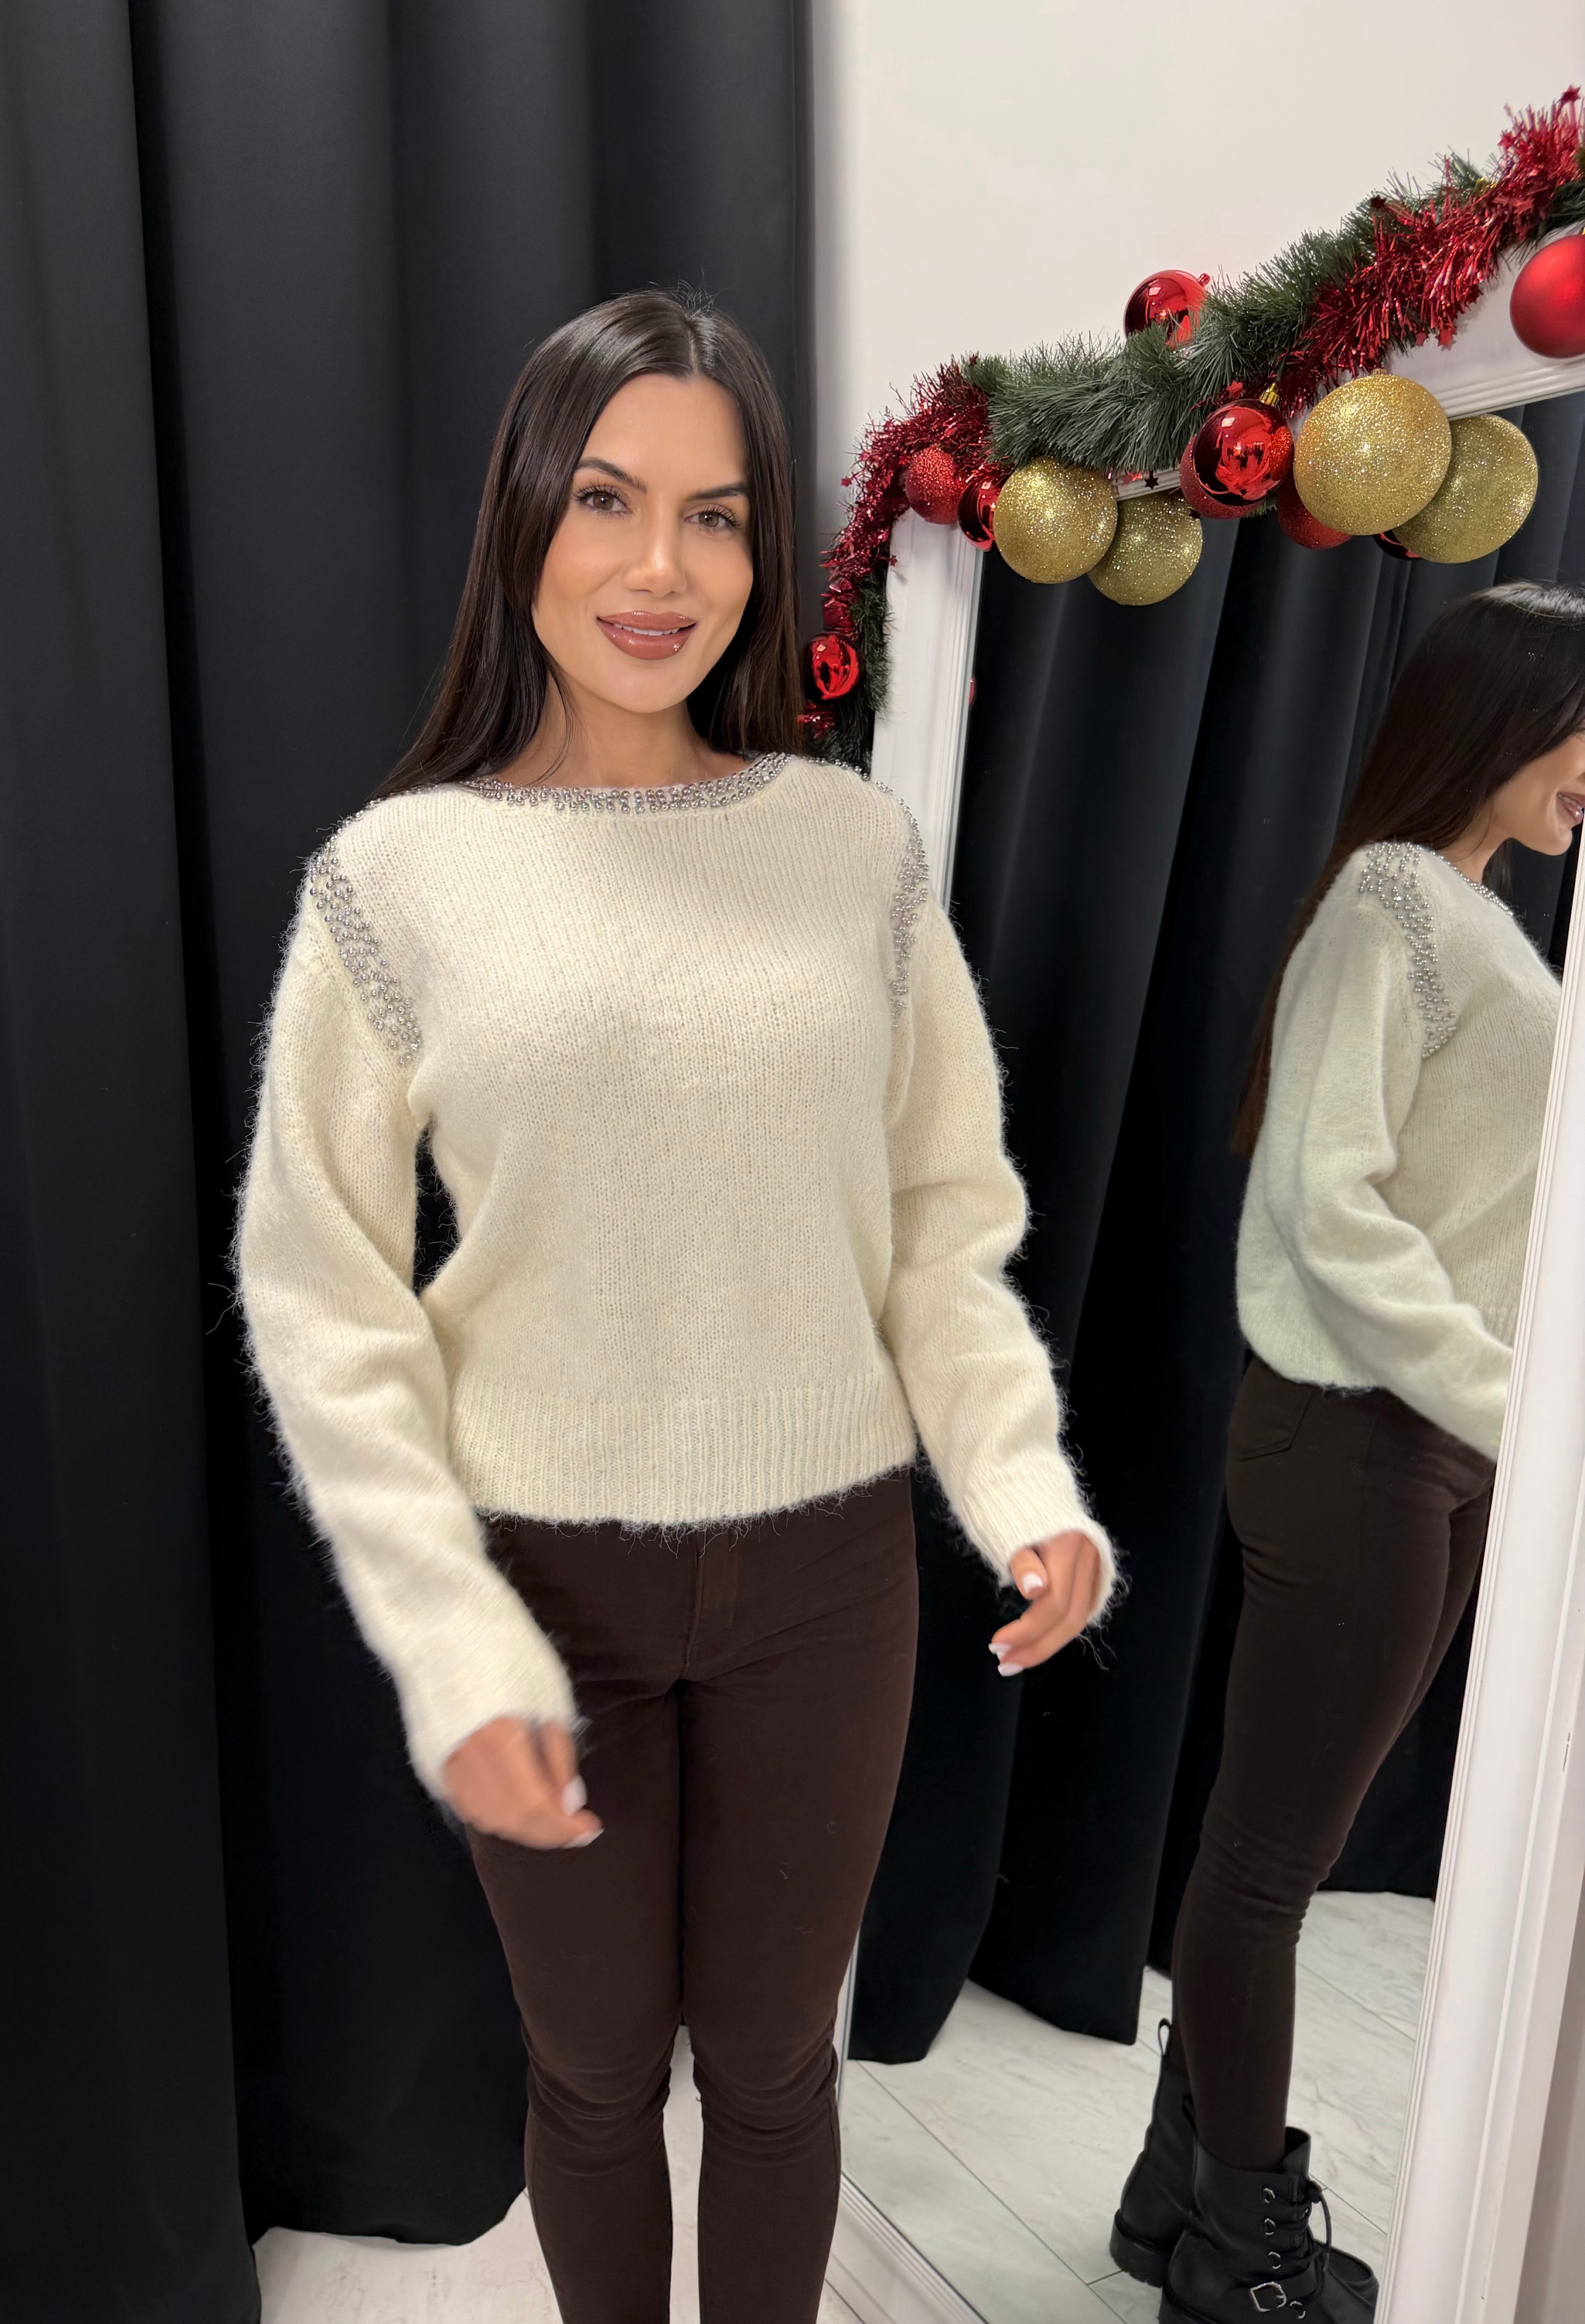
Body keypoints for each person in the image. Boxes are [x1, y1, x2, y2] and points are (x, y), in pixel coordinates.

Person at [236, 286, 1116, 2324]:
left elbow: (939, 1219)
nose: (662, 569)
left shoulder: (850, 850)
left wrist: (1019, 1481)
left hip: (829, 1577)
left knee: (782, 2067)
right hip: (543, 1579)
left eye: (717, 516)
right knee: (594, 2074)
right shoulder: (395, 879)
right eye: (608, 499)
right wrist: (450, 1637)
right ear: (524, 516)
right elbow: (324, 1295)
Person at [1111, 582, 1583, 2323]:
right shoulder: (1396, 902)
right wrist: (1505, 1398)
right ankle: (1241, 2248)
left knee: (1269, 1849)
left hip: (1419, 1442)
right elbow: (1326, 1197)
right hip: (1367, 1438)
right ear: (1505, 711)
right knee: (1267, 1866)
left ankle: (1175, 2198)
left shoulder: (1471, 906)